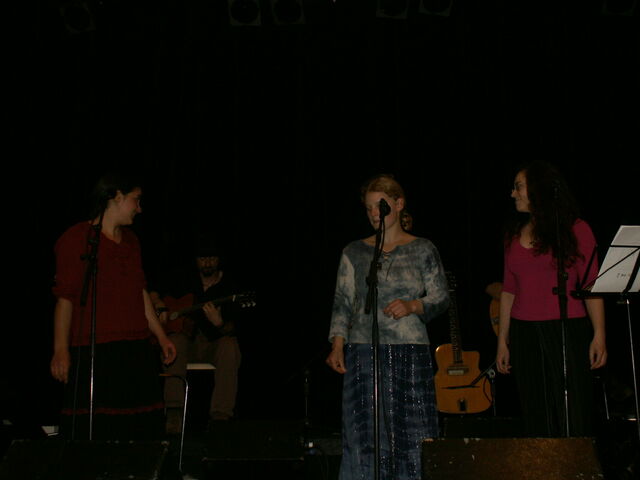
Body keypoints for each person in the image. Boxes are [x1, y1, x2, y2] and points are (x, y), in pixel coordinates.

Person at [326, 173, 450, 480]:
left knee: (412, 431)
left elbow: (440, 296)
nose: (373, 213)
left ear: (398, 204)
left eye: (379, 206)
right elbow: (343, 301)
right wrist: (338, 344)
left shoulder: (423, 248)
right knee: (363, 429)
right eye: (368, 208)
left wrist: (412, 305)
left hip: (410, 349)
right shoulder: (354, 251)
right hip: (363, 351)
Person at [49, 172, 176, 440]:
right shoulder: (77, 239)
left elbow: (140, 293)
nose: (139, 208)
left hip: (135, 347)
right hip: (97, 348)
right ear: (117, 197)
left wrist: (161, 336)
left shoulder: (131, 242)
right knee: (99, 429)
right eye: (136, 200)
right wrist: (60, 350)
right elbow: (65, 299)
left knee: (139, 431)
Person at [495, 160, 607, 437]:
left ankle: (576, 460)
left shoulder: (575, 229)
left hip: (567, 328)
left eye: (518, 187)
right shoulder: (512, 235)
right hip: (524, 332)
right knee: (535, 410)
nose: (512, 193)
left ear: (539, 189)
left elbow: (591, 285)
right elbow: (509, 290)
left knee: (573, 409)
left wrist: (599, 334)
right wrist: (502, 340)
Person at [149, 234, 243, 434]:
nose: (207, 263)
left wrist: (219, 323)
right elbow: (153, 290)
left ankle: (221, 417)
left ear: (219, 260)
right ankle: (174, 412)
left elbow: (235, 328)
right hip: (186, 344)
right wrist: (159, 304)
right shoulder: (183, 277)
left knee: (230, 346)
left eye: (212, 258)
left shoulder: (230, 285)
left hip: (212, 344)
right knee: (174, 341)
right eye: (203, 258)